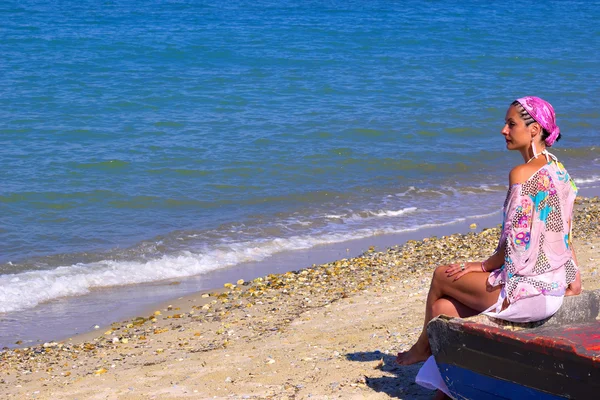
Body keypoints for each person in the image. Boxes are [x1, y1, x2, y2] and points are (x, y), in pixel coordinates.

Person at [396, 96, 582, 398]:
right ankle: (446, 392)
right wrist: (574, 277)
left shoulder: (523, 175)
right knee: (443, 309)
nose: (503, 130)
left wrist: (482, 266)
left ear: (534, 130)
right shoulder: (560, 171)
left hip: (527, 292)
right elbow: (563, 232)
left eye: (511, 124)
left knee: (442, 275)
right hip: (553, 289)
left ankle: (421, 348)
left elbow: (515, 245)